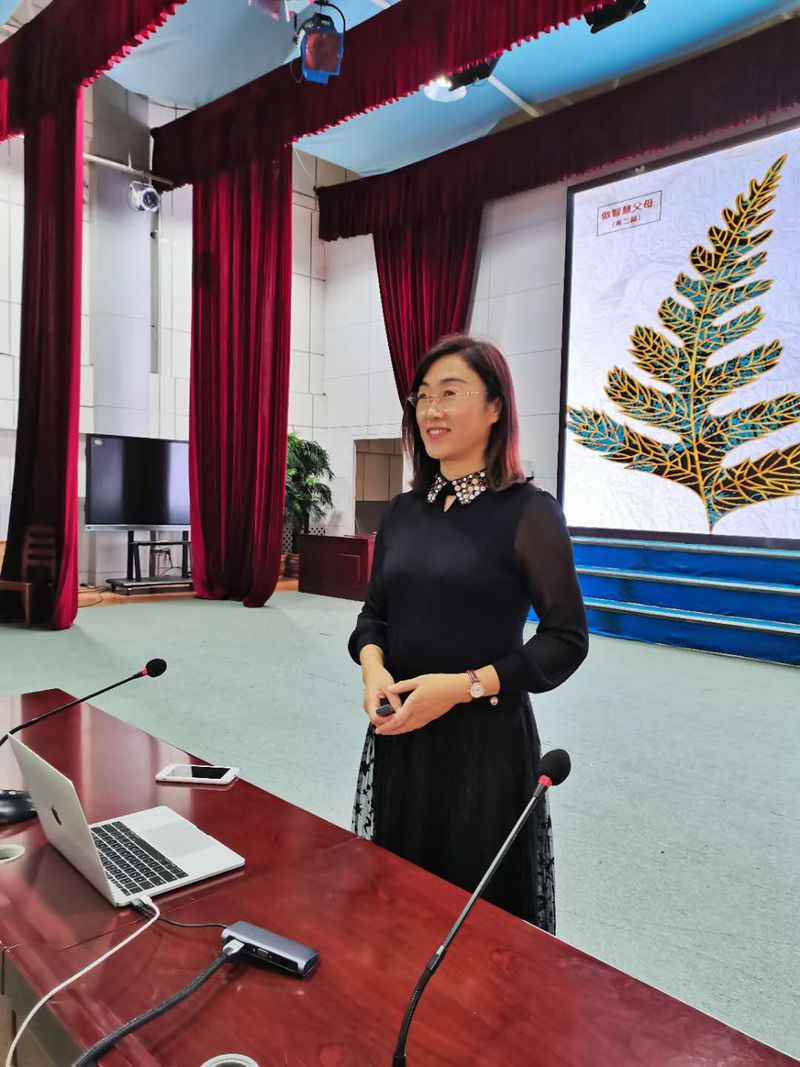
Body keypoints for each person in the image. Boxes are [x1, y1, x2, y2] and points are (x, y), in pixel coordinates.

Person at [348, 335, 588, 929]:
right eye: (423, 397)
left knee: (480, 925)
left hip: (484, 743)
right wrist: (373, 669)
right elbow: (373, 616)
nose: (431, 410)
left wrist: (462, 687)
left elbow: (565, 639)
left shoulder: (529, 511)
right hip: (402, 732)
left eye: (450, 394)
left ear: (495, 407)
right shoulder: (402, 512)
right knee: (398, 905)